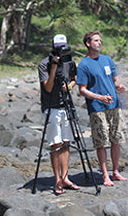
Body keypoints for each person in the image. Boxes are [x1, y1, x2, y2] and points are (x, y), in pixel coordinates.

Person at [76, 31, 128, 186]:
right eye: (96, 40)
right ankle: (105, 175)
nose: (99, 43)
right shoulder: (84, 65)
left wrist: (119, 86)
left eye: (100, 40)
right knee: (101, 142)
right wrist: (100, 97)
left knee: (116, 140)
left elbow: (115, 78)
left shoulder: (107, 60)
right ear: (88, 43)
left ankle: (116, 172)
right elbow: (82, 90)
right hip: (97, 108)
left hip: (114, 106)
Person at [38, 34, 80, 195]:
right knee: (55, 144)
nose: (61, 50)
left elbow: (73, 79)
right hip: (51, 107)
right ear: (53, 47)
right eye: (58, 47)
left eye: (63, 46)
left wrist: (69, 86)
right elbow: (47, 88)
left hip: (65, 106)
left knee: (66, 142)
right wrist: (54, 67)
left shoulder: (69, 61)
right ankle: (57, 180)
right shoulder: (44, 64)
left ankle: (65, 177)